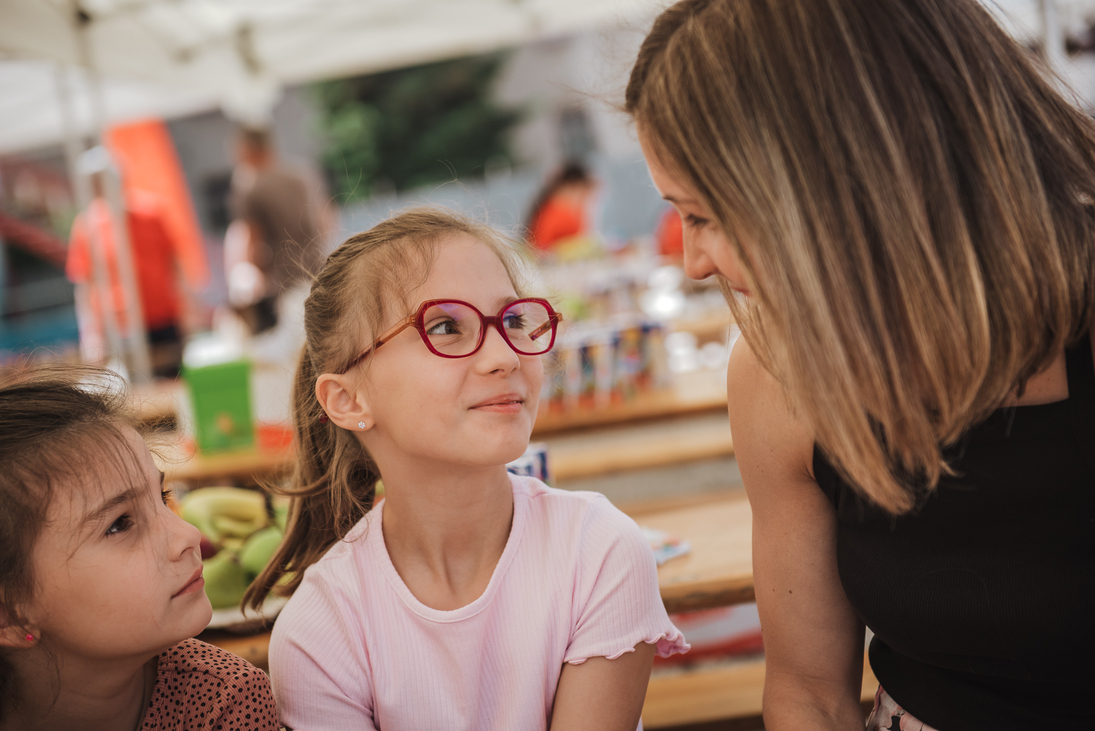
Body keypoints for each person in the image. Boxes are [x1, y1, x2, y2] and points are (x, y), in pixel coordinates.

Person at [626, 1, 1095, 730]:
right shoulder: (777, 375)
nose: (690, 264)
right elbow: (809, 695)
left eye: (706, 214)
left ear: (831, 181)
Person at [245, 207, 687, 730]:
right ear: (347, 399)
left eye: (514, 320)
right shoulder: (321, 629)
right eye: (446, 326)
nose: (503, 355)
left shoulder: (599, 551)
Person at [0, 365, 278, 730]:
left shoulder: (224, 701)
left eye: (164, 497)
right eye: (119, 524)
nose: (188, 536)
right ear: (10, 615)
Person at [67, 170, 199, 378]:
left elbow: (175, 265)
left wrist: (188, 307)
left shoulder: (151, 213)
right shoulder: (87, 226)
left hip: (162, 317)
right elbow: (84, 284)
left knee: (173, 381)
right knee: (135, 391)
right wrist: (91, 333)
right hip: (119, 325)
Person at [226, 126, 328, 335]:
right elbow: (326, 220)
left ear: (247, 151)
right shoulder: (302, 176)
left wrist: (253, 276)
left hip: (286, 280)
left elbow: (251, 242)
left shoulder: (252, 189)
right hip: (319, 269)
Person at [525, 161, 598, 253]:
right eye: (580, 192)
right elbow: (537, 248)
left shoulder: (573, 210)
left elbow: (584, 239)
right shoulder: (551, 211)